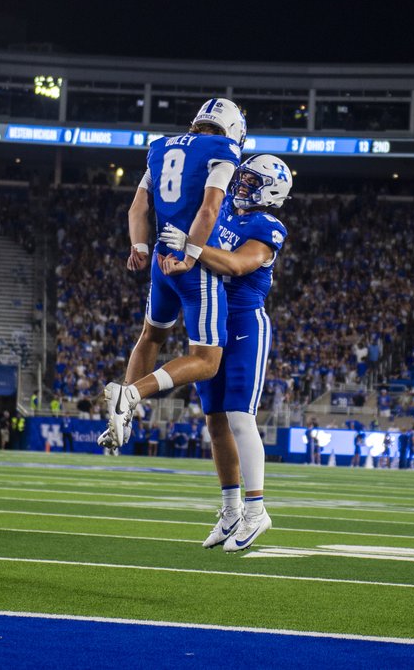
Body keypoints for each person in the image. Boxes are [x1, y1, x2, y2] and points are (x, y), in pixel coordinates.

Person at [160, 154, 291, 550]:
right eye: (244, 177)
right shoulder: (226, 214)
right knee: (215, 420)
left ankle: (256, 511)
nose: (243, 185)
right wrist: (181, 261)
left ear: (272, 190)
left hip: (244, 324)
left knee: (239, 417)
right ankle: (231, 510)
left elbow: (236, 265)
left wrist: (192, 248)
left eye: (253, 181)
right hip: (211, 320)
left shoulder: (268, 225)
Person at [99, 98, 245, 449]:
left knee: (151, 336)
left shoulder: (161, 147)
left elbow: (137, 207)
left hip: (159, 261)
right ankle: (130, 395)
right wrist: (193, 256)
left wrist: (139, 247)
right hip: (190, 265)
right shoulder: (222, 149)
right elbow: (209, 210)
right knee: (207, 361)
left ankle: (123, 419)